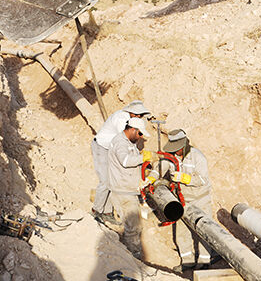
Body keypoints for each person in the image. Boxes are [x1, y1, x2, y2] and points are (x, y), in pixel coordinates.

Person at [160, 129, 214, 272]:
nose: (174, 152)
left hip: (200, 199)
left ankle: (204, 261)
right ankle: (187, 261)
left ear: (183, 146)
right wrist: (152, 176)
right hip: (183, 200)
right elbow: (161, 168)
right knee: (182, 231)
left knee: (204, 229)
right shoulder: (172, 157)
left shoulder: (198, 157)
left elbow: (203, 180)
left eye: (176, 150)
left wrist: (185, 178)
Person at [91, 101, 152, 225]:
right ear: (133, 113)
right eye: (139, 115)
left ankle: (107, 212)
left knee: (112, 180)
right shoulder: (121, 119)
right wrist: (141, 158)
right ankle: (96, 210)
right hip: (102, 147)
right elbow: (125, 141)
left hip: (111, 149)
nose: (140, 117)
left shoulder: (130, 120)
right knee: (105, 181)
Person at [106, 116, 149, 259]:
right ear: (132, 130)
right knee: (133, 228)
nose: (140, 137)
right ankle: (134, 259)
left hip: (128, 190)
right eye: (139, 134)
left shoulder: (129, 142)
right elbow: (125, 161)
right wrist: (144, 158)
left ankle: (131, 256)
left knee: (133, 226)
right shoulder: (120, 142)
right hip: (122, 192)